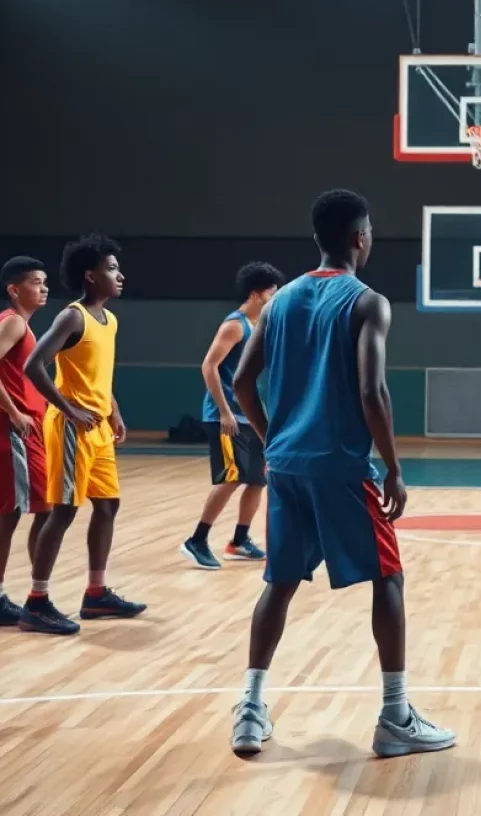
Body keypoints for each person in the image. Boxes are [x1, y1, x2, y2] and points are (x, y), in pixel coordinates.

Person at [229, 189, 455, 758]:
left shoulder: (279, 303)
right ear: (360, 237)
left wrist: (272, 438)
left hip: (285, 467)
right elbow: (371, 389)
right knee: (388, 580)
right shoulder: (367, 302)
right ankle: (396, 715)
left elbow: (241, 383)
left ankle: (251, 710)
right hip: (342, 467)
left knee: (278, 584)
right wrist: (395, 469)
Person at [19, 235, 145, 636]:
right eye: (111, 269)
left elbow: (98, 376)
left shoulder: (110, 320)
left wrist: (115, 410)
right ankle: (36, 602)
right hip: (73, 429)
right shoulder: (73, 317)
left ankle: (96, 593)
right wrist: (67, 408)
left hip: (98, 428)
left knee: (108, 506)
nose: (120, 275)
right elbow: (35, 365)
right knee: (64, 512)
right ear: (90, 276)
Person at [181, 262, 284, 570]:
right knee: (231, 477)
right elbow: (208, 366)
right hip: (226, 417)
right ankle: (196, 539)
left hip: (251, 416)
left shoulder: (261, 326)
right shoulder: (235, 325)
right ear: (256, 294)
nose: (275, 299)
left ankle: (239, 541)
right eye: (271, 294)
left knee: (257, 479)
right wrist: (225, 410)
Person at [0, 257, 51, 625]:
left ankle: (36, 593)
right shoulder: (13, 322)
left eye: (45, 281)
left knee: (19, 513)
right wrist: (15, 413)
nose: (44, 287)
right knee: (17, 513)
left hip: (28, 428)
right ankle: (38, 596)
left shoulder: (24, 326)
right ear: (14, 290)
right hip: (13, 430)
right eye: (36, 282)